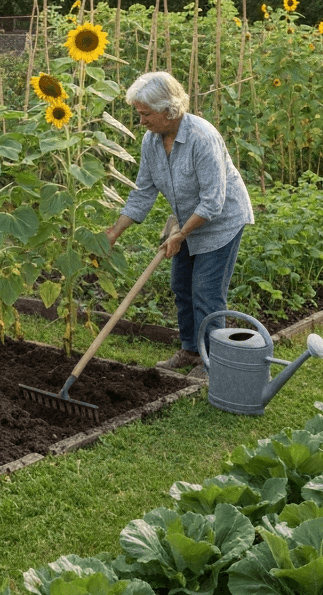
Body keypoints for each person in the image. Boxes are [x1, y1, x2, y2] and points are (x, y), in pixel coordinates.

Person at [104, 72, 254, 381]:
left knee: (206, 290)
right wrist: (113, 233)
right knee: (181, 286)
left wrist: (181, 234)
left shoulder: (202, 137)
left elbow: (213, 202)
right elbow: (143, 191)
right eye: (138, 113)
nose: (141, 121)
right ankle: (189, 349)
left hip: (222, 222)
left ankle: (211, 360)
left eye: (145, 114)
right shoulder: (152, 141)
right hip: (186, 222)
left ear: (168, 110)